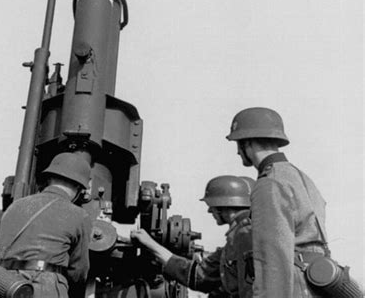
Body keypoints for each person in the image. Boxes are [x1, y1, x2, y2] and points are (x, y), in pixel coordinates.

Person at [226, 106, 328, 297]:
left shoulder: (270, 183)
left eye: (238, 144)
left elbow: (272, 260)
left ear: (246, 143)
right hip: (316, 286)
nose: (237, 153)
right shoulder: (302, 179)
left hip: (292, 287)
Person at [131, 175, 255, 298]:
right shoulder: (241, 237)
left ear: (224, 204)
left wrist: (150, 243)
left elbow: (200, 277)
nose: (209, 211)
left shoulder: (244, 236)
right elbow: (199, 276)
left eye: (211, 205)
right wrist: (151, 244)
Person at [0, 152, 92, 298]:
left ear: (49, 178)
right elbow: (78, 272)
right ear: (78, 186)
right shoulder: (79, 215)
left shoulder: (14, 207)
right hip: (45, 288)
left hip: (7, 286)